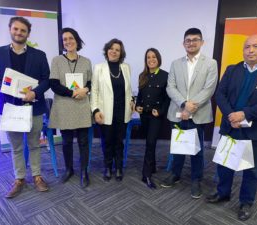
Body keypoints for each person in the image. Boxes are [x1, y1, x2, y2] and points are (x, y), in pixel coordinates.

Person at [206, 34, 257, 221]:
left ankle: (246, 202)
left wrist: (245, 114)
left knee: (252, 170)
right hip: (231, 126)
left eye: (255, 46)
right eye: (247, 46)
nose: (250, 50)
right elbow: (220, 94)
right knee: (225, 164)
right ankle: (223, 192)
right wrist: (231, 115)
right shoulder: (232, 70)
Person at [0, 17, 50, 198]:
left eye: (23, 30)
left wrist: (35, 93)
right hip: (10, 106)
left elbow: (46, 79)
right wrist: (5, 88)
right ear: (10, 30)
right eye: (16, 29)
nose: (19, 33)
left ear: (28, 34)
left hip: (34, 107)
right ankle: (19, 178)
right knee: (16, 146)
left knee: (34, 144)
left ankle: (37, 176)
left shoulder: (40, 55)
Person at [161, 28, 218, 199]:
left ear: (202, 42)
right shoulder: (175, 63)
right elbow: (170, 87)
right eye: (188, 40)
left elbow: (209, 88)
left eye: (195, 39)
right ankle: (175, 174)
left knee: (197, 150)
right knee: (178, 147)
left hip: (198, 114)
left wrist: (191, 107)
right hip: (178, 113)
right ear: (183, 43)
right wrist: (184, 104)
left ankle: (196, 179)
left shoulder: (211, 63)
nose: (191, 43)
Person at [49, 28, 92, 188]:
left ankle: (84, 171)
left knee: (83, 141)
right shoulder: (56, 60)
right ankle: (69, 169)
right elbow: (53, 84)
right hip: (64, 106)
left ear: (77, 40)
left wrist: (85, 90)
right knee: (66, 141)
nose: (68, 41)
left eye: (71, 38)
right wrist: (73, 93)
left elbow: (90, 83)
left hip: (82, 106)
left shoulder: (86, 61)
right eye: (65, 39)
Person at [90, 38, 133, 182]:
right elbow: (94, 91)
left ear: (121, 53)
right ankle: (108, 167)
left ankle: (119, 167)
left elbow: (128, 90)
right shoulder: (99, 68)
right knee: (107, 141)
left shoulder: (126, 67)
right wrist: (95, 110)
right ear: (107, 50)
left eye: (117, 50)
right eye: (111, 48)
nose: (114, 51)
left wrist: (132, 101)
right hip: (104, 112)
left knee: (119, 142)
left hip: (122, 112)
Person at [135, 48, 169, 189]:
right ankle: (153, 166)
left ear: (158, 59)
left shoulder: (165, 76)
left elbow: (168, 99)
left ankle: (146, 174)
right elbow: (140, 96)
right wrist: (138, 106)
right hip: (145, 116)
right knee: (149, 142)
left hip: (156, 116)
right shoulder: (142, 75)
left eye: (154, 57)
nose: (151, 59)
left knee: (150, 142)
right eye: (148, 57)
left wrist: (160, 111)